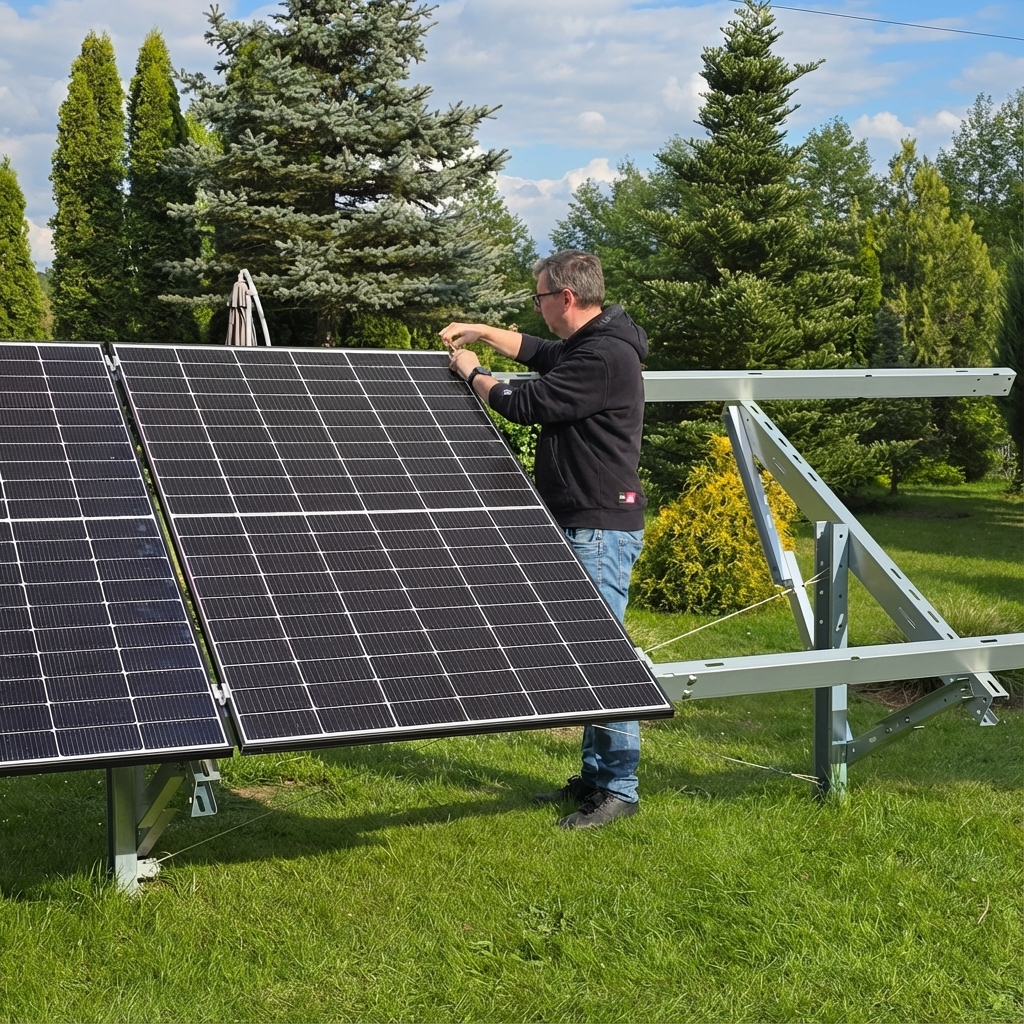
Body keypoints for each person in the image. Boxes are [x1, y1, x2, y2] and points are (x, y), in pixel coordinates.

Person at [440, 249, 648, 829]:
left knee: (603, 657)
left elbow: (524, 401)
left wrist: (472, 372)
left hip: (600, 527)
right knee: (584, 652)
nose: (536, 309)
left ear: (567, 298)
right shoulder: (591, 342)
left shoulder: (604, 355)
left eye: (538, 298)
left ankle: (619, 790)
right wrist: (480, 330)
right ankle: (594, 778)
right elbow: (536, 350)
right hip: (582, 519)